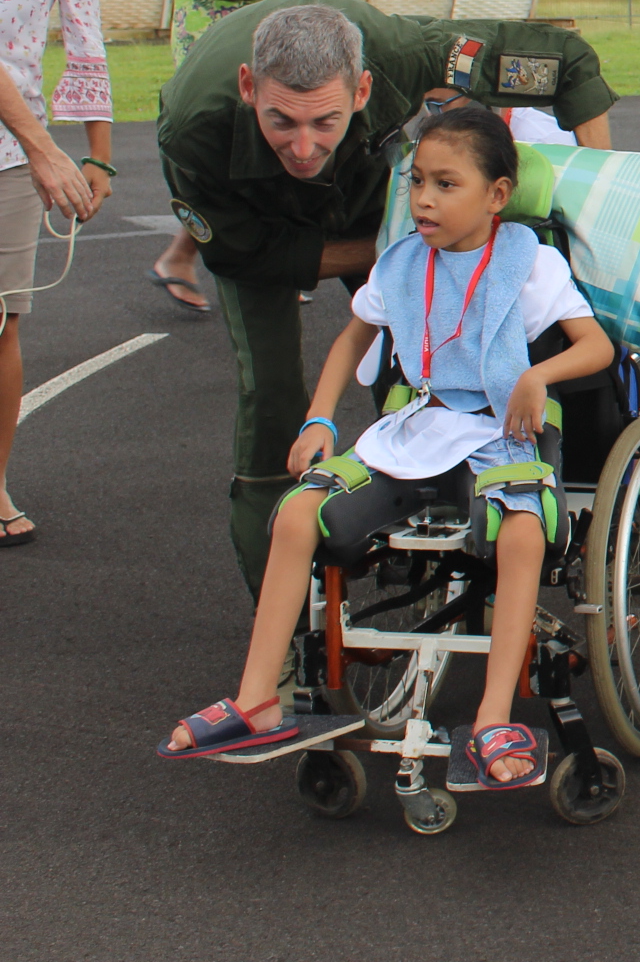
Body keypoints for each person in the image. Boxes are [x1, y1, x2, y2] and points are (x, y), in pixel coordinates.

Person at [159, 105, 613, 783]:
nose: (424, 199)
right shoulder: (401, 264)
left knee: (521, 533)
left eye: (446, 184)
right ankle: (257, 697)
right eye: (417, 183)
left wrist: (537, 374)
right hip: (417, 426)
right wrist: (319, 419)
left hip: (499, 432)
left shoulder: (531, 263)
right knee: (295, 512)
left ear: (497, 195)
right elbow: (352, 337)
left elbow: (597, 348)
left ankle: (492, 717)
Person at [158, 0, 615, 593]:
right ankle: (294, 632)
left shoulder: (407, 54)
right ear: (248, 87)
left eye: (324, 120)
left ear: (363, 89)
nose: (302, 147)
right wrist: (397, 258)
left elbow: (568, 65)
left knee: (413, 374)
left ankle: (429, 514)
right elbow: (242, 255)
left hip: (370, 201)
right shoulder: (194, 128)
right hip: (258, 229)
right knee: (270, 401)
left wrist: (599, 207)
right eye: (282, 121)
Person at [153, 0, 335, 317]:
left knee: (258, 159)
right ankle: (213, 259)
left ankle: (187, 256)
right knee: (243, 161)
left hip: (264, 52)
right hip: (218, 58)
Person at [0, 0, 113, 549]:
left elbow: (86, 42)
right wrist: (46, 148)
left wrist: (98, 152)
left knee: (4, 322)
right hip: (25, 146)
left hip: (8, 158)